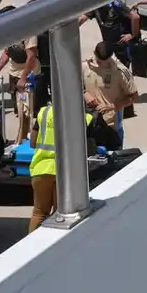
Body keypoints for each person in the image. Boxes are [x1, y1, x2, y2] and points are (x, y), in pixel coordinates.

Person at [28, 97, 92, 232]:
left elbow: (33, 142)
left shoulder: (44, 112)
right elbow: (89, 149)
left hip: (41, 168)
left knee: (39, 213)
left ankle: (33, 244)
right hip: (65, 172)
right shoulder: (83, 117)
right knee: (60, 215)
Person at [84, 42, 137, 149]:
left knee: (113, 154)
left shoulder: (120, 72)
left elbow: (133, 96)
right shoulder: (85, 66)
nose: (101, 65)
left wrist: (112, 106)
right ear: (94, 52)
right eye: (99, 61)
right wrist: (85, 94)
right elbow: (74, 84)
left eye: (105, 62)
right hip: (89, 121)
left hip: (111, 125)